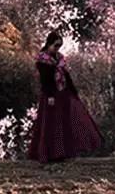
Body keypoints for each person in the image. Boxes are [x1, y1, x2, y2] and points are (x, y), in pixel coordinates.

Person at [27, 30, 102, 164]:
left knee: (62, 122)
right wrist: (50, 95)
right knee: (50, 123)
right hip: (51, 94)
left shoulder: (59, 58)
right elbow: (45, 80)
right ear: (49, 44)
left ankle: (62, 152)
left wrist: (73, 91)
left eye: (59, 46)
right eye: (55, 45)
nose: (57, 48)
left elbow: (66, 75)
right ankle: (49, 153)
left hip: (63, 92)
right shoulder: (42, 59)